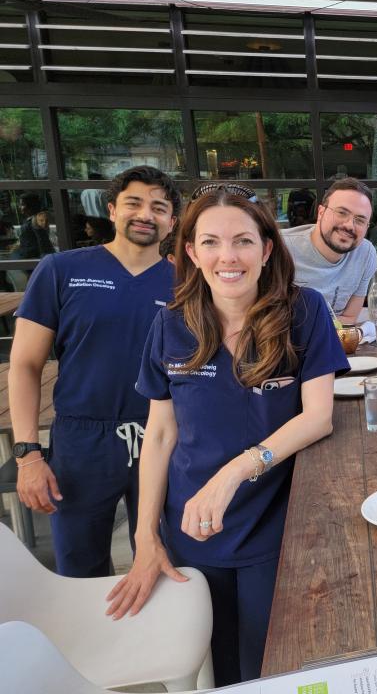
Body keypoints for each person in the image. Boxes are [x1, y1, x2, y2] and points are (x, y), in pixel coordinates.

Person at [105, 185, 346, 685]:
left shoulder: (305, 312)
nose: (227, 257)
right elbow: (161, 435)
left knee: (271, 664)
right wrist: (145, 538)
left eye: (242, 241)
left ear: (267, 248)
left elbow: (319, 415)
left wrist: (235, 471)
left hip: (275, 527)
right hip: (193, 530)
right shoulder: (170, 324)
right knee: (216, 668)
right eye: (210, 242)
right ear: (191, 252)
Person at [10, 166, 182, 577]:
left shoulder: (187, 283)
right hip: (81, 441)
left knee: (165, 561)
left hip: (164, 438)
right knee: (79, 567)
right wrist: (27, 454)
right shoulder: (61, 270)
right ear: (111, 210)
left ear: (172, 221)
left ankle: (153, 642)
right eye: (134, 203)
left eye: (159, 207)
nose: (146, 214)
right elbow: (24, 365)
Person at [281, 176, 377, 324]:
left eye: (360, 220)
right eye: (342, 213)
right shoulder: (281, 248)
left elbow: (349, 318)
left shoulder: (365, 254)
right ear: (321, 213)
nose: (350, 225)